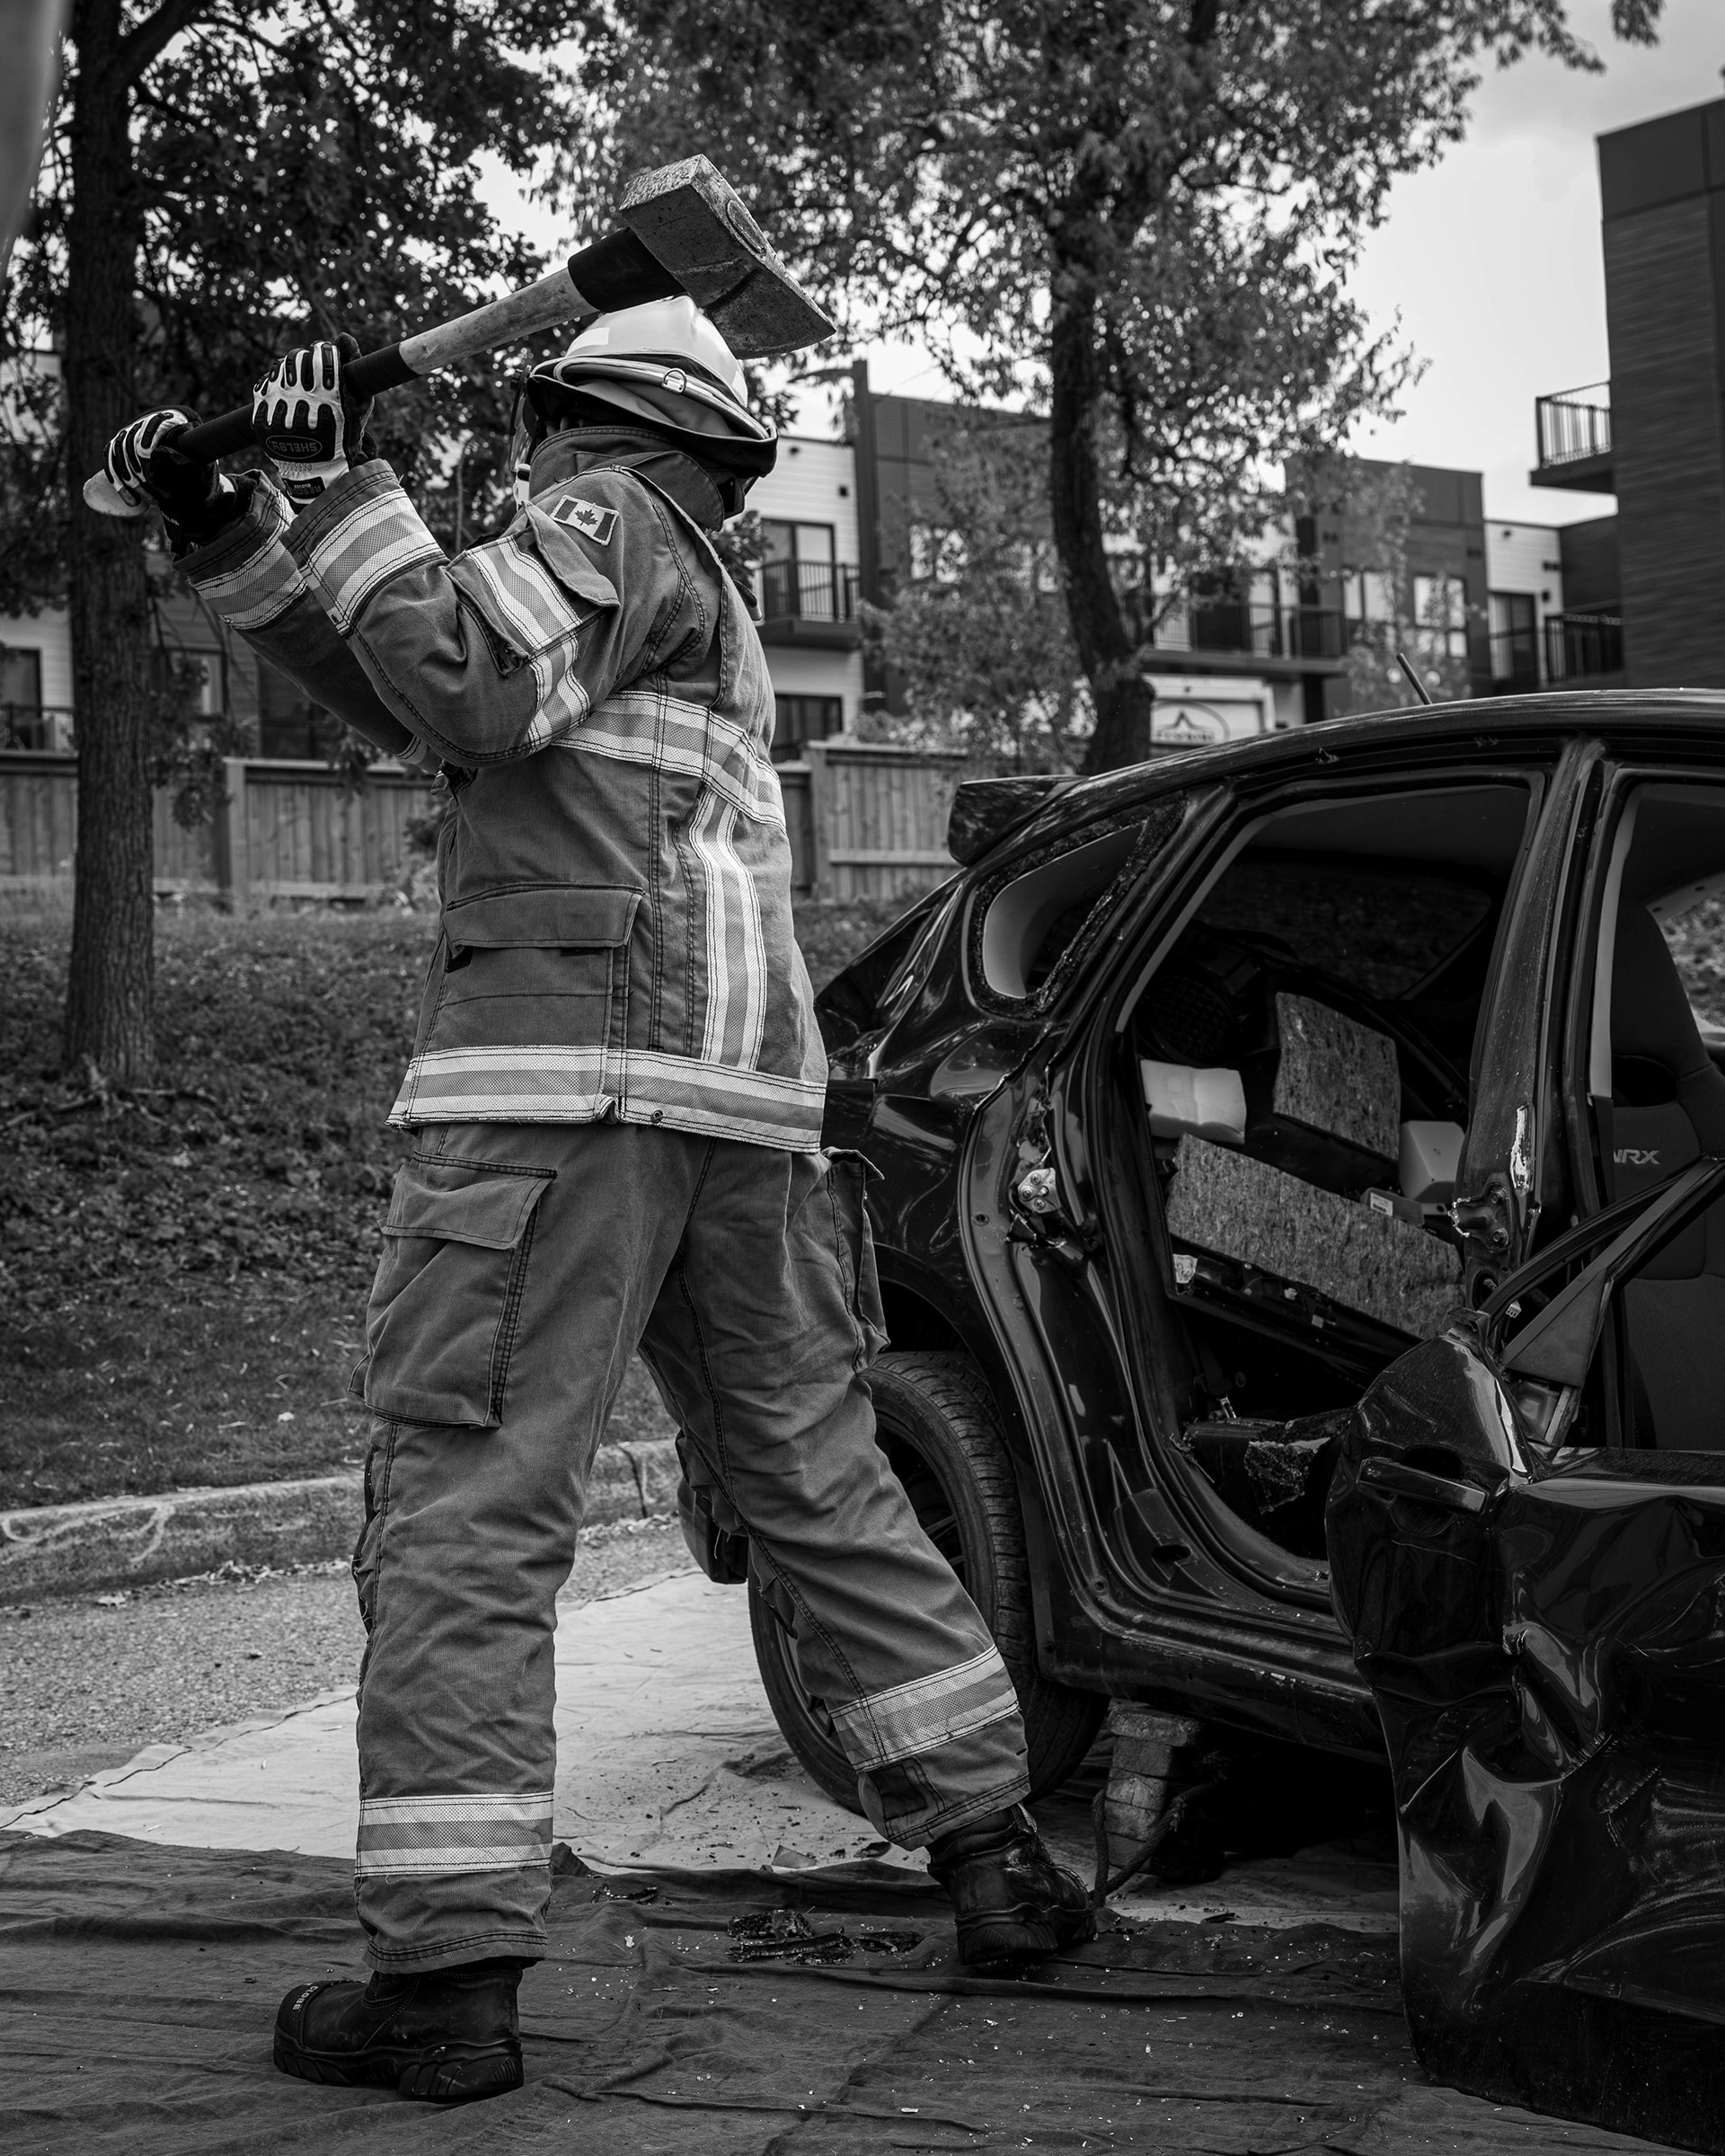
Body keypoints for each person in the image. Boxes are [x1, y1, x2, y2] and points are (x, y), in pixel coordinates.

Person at [104, 299, 1092, 2105]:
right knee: (815, 1478)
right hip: (744, 1123)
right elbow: (408, 682)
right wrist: (235, 525)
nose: (528, 461)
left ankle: (447, 1980)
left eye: (539, 431)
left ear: (583, 421)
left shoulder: (604, 515)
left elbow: (463, 679)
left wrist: (355, 477)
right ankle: (996, 1857)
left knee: (467, 1512)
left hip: (568, 1098)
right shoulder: (686, 594)